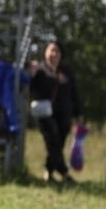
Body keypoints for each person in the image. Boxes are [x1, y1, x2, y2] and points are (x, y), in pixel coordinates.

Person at [28, 40, 83, 184]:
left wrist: (78, 114)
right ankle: (64, 172)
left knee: (58, 144)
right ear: (45, 52)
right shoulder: (38, 70)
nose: (54, 54)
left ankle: (49, 172)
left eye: (57, 51)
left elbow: (74, 93)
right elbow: (30, 88)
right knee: (52, 140)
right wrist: (31, 74)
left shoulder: (66, 71)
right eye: (51, 50)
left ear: (61, 54)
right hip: (45, 114)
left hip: (64, 114)